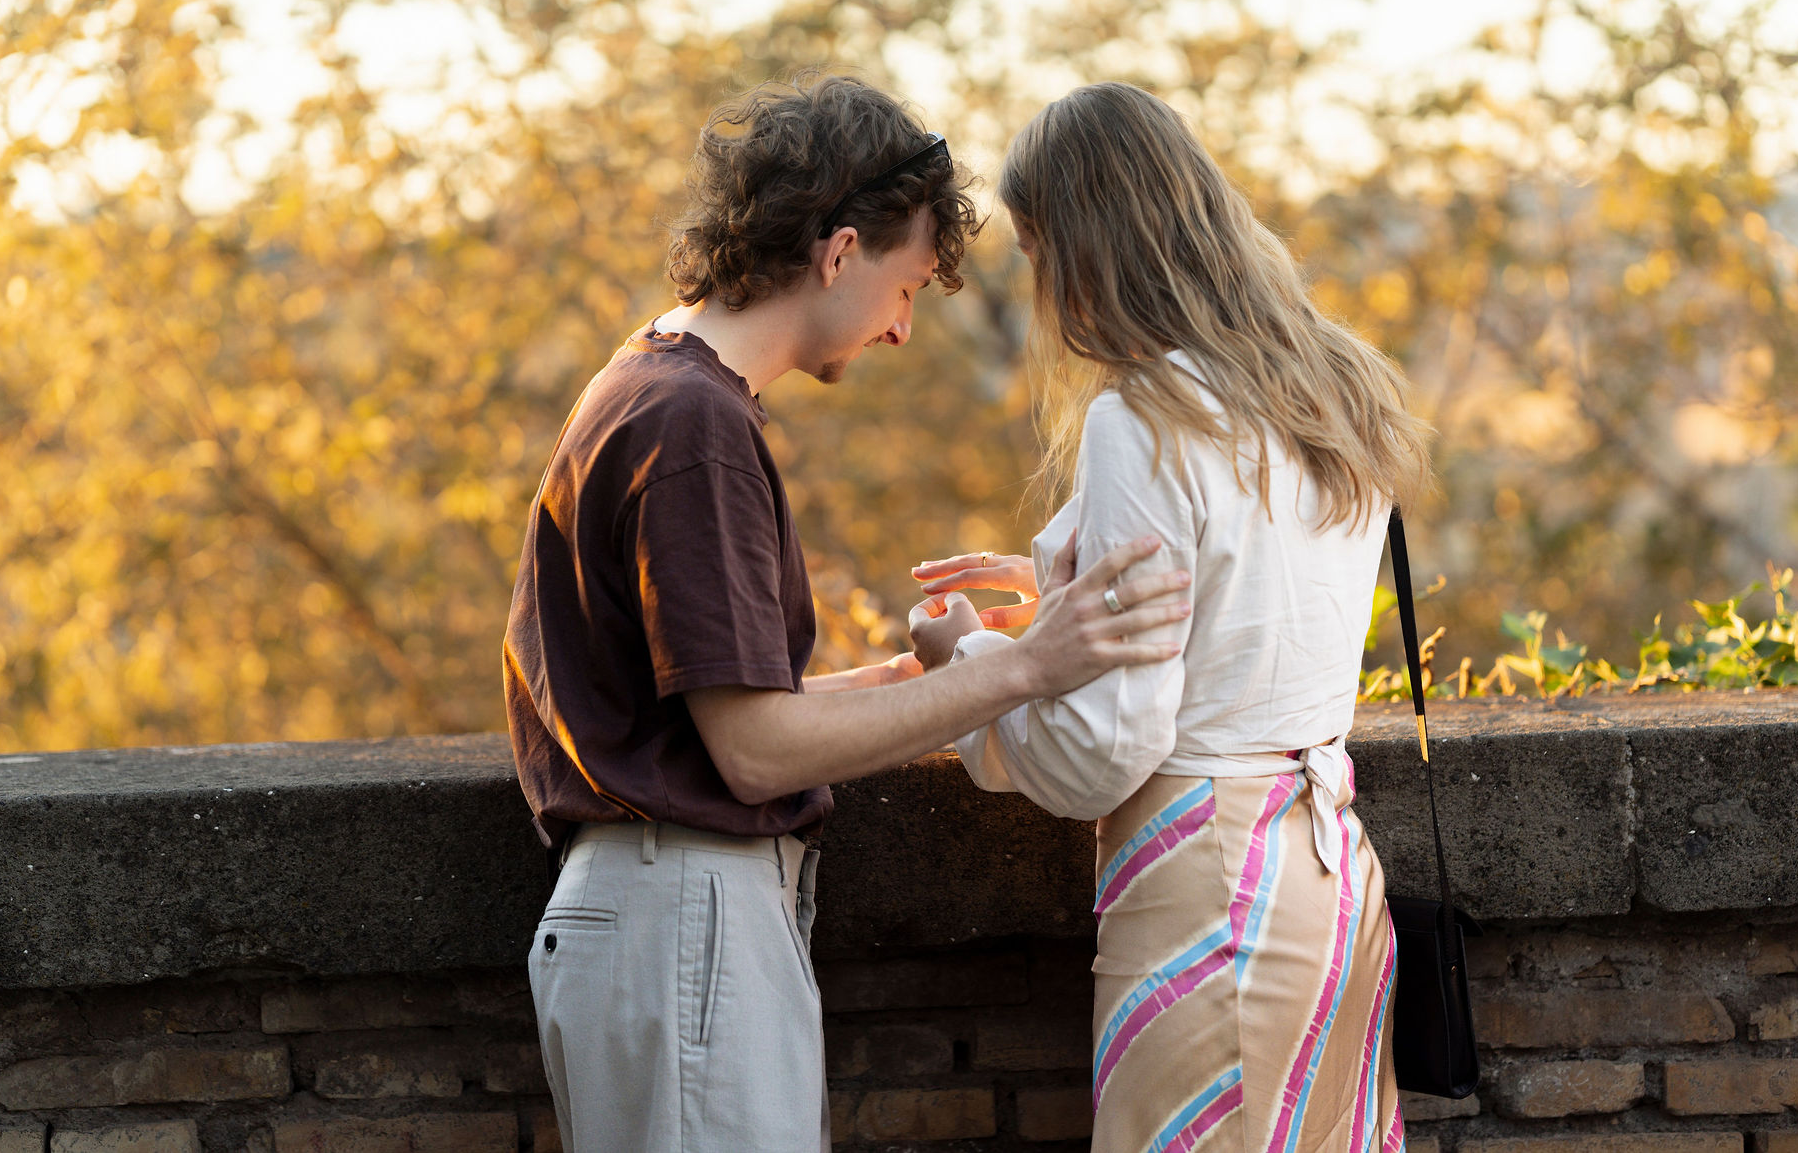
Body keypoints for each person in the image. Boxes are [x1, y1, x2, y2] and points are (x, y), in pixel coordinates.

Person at [501, 73, 1192, 1153]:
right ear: (837, 253)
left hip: (665, 919)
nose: (902, 328)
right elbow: (754, 754)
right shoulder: (693, 428)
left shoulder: (648, 385)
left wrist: (905, 687)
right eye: (907, 284)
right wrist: (1023, 668)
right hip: (683, 916)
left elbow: (689, 714)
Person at [907, 82, 1434, 1153]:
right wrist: (1067, 574)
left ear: (1079, 245)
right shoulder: (1332, 387)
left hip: (1204, 894)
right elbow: (1257, 594)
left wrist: (965, 663)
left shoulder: (1141, 418)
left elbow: (1105, 753)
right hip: (1330, 879)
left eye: (1036, 249)